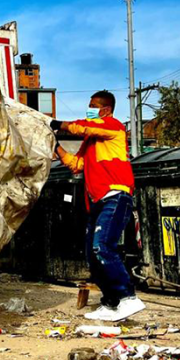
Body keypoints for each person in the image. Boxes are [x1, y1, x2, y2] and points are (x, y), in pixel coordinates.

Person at [51, 90, 145, 322]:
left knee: (103, 246)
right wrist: (56, 147)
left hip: (115, 194)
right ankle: (111, 303)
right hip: (98, 200)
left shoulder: (113, 127)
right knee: (92, 255)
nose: (89, 108)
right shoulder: (91, 142)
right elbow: (76, 164)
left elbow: (83, 127)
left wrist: (57, 124)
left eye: (93, 105)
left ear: (105, 110)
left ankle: (128, 298)